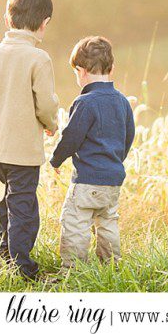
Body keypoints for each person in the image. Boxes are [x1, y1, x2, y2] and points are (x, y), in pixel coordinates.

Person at [0, 0, 59, 280]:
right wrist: (51, 125)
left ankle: (5, 254)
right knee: (24, 208)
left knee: (10, 200)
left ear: (8, 19)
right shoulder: (39, 58)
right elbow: (46, 104)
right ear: (44, 23)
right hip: (23, 150)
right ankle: (23, 269)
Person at [50, 36, 135, 268]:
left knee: (76, 222)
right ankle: (111, 265)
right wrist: (115, 160)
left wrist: (56, 159)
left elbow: (72, 138)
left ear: (81, 71)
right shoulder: (122, 102)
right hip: (113, 179)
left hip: (87, 180)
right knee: (108, 221)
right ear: (111, 68)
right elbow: (128, 136)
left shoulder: (85, 102)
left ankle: (73, 269)